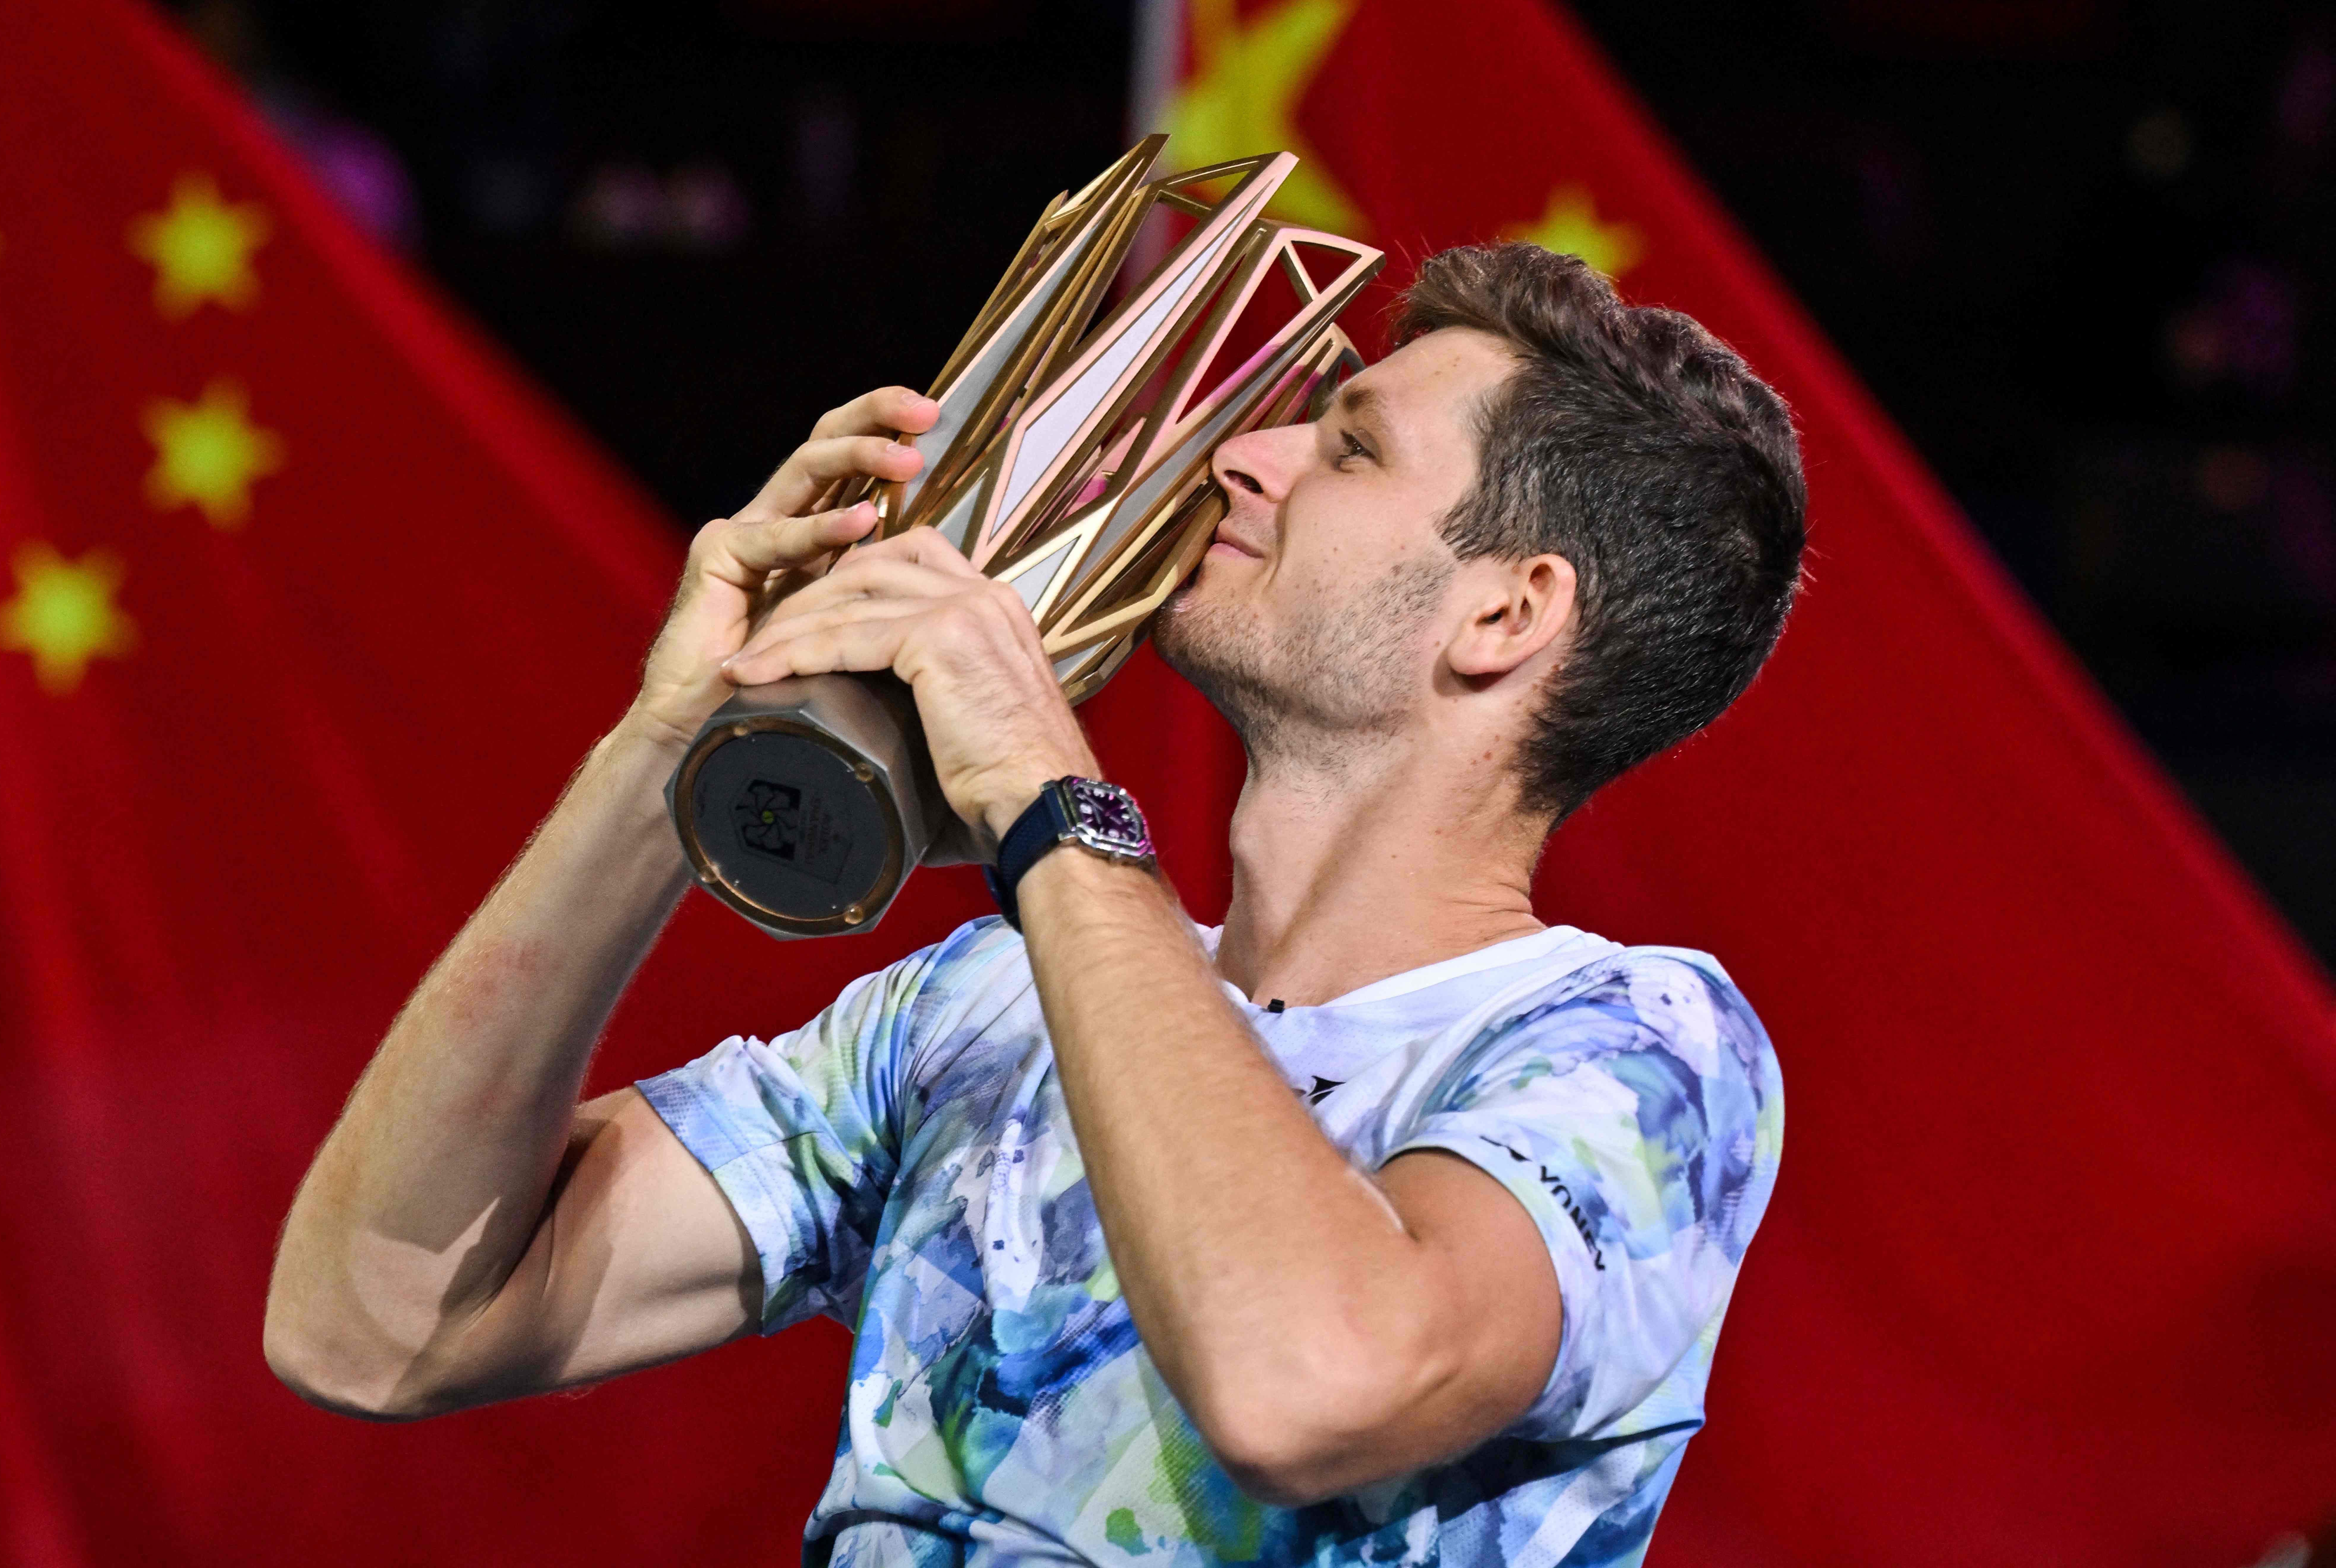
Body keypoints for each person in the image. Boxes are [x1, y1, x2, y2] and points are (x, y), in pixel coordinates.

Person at [264, 241, 1806, 1567]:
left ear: (1505, 613)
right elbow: (376, 1323)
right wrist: (665, 751)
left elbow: (1305, 1381)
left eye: (1347, 448)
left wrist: (1052, 804)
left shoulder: (1642, 1051)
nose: (1240, 459)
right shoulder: (979, 1008)